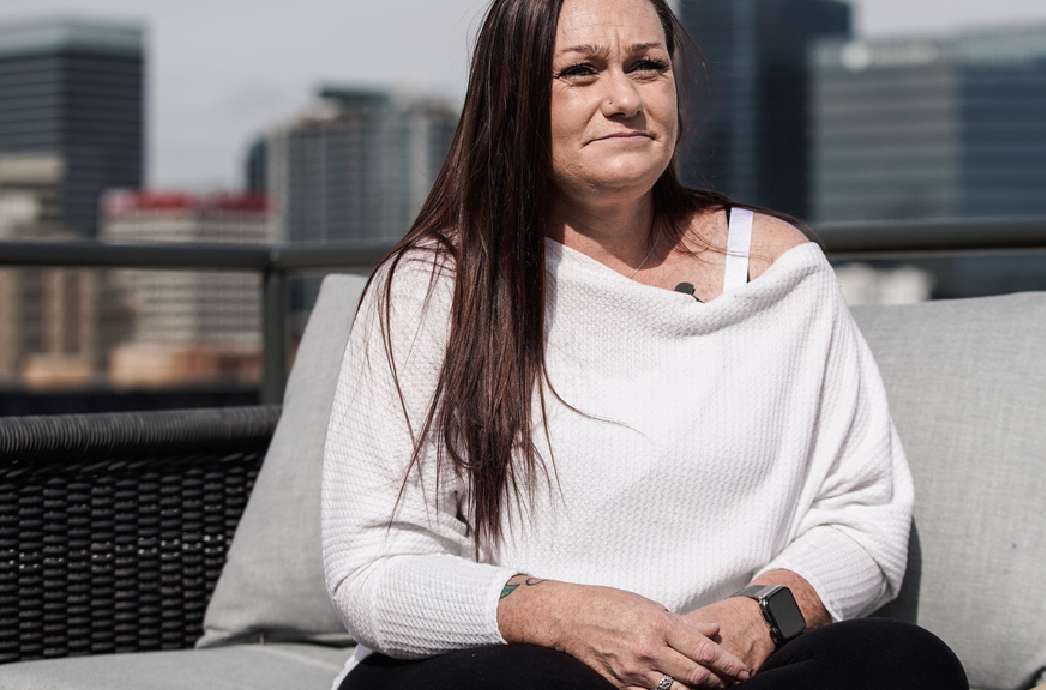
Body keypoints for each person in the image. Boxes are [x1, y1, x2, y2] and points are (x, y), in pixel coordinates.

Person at [320, 0, 969, 688]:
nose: (623, 98)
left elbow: (862, 516)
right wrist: (560, 616)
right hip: (524, 663)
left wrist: (765, 614)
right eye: (580, 72)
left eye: (647, 66)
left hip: (720, 666)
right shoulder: (436, 287)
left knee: (906, 665)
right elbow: (374, 567)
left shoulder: (779, 271)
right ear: (511, 100)